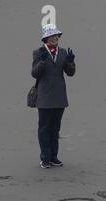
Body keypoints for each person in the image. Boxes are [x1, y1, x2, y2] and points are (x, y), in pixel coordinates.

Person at [31, 24, 76, 168]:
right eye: (52, 36)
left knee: (55, 129)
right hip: (44, 98)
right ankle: (45, 158)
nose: (55, 37)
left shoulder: (63, 53)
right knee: (44, 128)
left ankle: (54, 157)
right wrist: (43, 61)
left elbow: (70, 73)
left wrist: (70, 62)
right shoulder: (38, 52)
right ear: (46, 38)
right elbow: (35, 73)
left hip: (59, 97)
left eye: (57, 35)